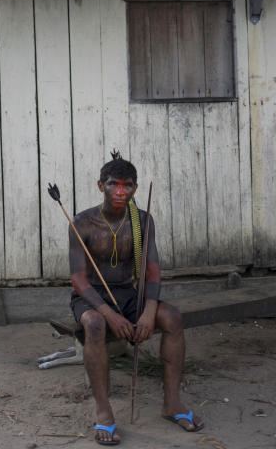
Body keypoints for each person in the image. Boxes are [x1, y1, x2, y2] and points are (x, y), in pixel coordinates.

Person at [69, 152, 204, 446]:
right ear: (99, 185)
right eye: (113, 185)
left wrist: (148, 311)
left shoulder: (142, 221)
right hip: (91, 297)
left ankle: (172, 403)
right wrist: (109, 315)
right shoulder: (82, 222)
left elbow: (152, 269)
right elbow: (78, 279)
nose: (120, 192)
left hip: (128, 295)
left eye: (127, 185)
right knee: (93, 325)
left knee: (173, 317)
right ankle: (104, 412)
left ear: (136, 189)